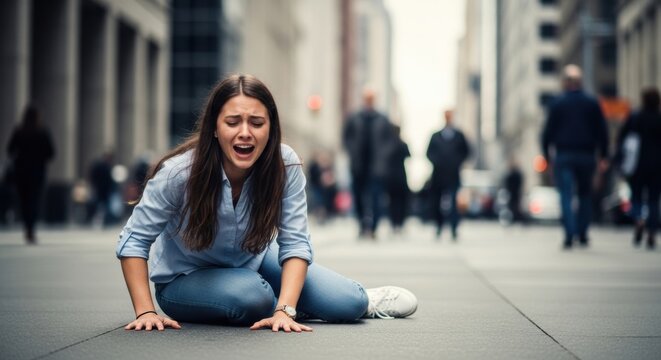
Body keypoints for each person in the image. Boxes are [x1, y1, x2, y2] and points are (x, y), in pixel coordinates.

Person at [116, 74, 417, 333]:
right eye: (233, 122)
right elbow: (133, 241)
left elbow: (295, 242)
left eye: (256, 122)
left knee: (349, 304)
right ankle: (286, 303)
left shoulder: (285, 164)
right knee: (252, 296)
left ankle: (327, 302)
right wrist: (146, 311)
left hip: (255, 260)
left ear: (270, 128)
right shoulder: (178, 174)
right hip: (186, 280)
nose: (245, 132)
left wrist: (285, 310)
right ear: (214, 128)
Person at [541, 64, 609, 249]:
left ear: (565, 82)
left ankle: (570, 233)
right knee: (585, 194)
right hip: (586, 155)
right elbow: (602, 130)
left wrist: (546, 155)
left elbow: (547, 132)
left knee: (566, 195)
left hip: (564, 155)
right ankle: (582, 232)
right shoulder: (592, 102)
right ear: (580, 82)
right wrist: (603, 155)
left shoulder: (557, 102)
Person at [342, 88, 395, 239]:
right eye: (367, 98)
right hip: (358, 166)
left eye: (372, 98)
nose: (369, 100)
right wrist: (352, 152)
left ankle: (373, 228)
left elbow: (390, 141)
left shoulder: (383, 119)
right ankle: (362, 225)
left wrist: (384, 157)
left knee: (376, 198)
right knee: (358, 197)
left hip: (376, 167)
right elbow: (346, 137)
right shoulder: (354, 117)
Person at [615, 87, 661, 249]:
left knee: (636, 197)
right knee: (654, 200)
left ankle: (639, 220)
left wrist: (619, 161)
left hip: (637, 165)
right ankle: (652, 232)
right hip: (657, 167)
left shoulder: (635, 117)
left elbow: (622, 139)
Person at [6, 105, 55, 244]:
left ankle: (27, 227)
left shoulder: (19, 130)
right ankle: (30, 230)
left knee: (24, 201)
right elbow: (51, 152)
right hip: (37, 172)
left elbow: (10, 149)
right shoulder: (42, 132)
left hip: (21, 171)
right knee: (34, 200)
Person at [426, 110, 470, 240]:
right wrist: (437, 162)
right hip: (438, 175)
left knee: (453, 203)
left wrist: (456, 162)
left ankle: (454, 228)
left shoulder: (459, 136)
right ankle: (439, 226)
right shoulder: (435, 136)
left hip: (453, 175)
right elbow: (429, 153)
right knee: (437, 202)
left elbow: (466, 152)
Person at [385, 125, 411, 234]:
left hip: (391, 177)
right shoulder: (402, 144)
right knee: (401, 202)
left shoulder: (388, 145)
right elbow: (409, 155)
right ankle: (399, 223)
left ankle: (394, 223)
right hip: (399, 177)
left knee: (393, 202)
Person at [88, 151, 118, 226]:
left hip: (104, 190)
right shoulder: (103, 166)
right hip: (101, 190)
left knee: (103, 205)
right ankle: (99, 220)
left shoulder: (106, 166)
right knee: (100, 205)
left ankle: (104, 220)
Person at [503, 158, 524, 224]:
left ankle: (517, 219)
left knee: (515, 207)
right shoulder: (512, 174)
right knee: (512, 207)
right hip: (512, 193)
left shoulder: (516, 174)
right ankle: (513, 219)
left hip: (515, 192)